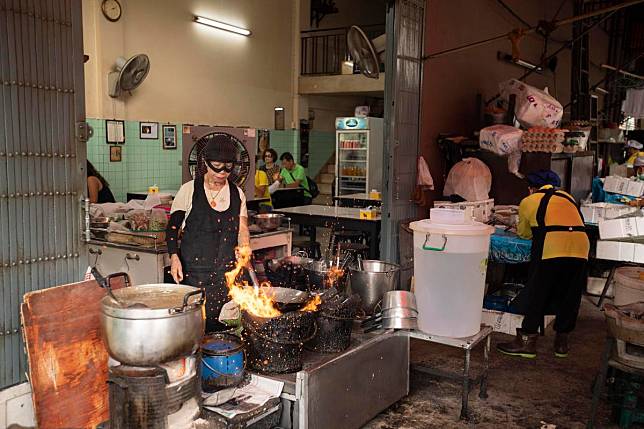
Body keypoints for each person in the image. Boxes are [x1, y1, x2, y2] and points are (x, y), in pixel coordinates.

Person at [497, 170, 589, 359]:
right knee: (570, 295)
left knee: (538, 292)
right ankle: (561, 343)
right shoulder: (567, 197)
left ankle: (527, 342)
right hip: (581, 248)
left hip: (552, 247)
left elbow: (524, 233)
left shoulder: (528, 201)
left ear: (531, 188)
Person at [166, 135, 250, 333]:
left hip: (226, 274)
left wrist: (244, 248)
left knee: (224, 329)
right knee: (195, 328)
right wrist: (174, 257)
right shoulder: (188, 190)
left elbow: (243, 229)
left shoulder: (237, 193)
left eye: (228, 167)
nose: (222, 172)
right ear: (205, 163)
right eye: (217, 166)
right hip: (195, 273)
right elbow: (172, 228)